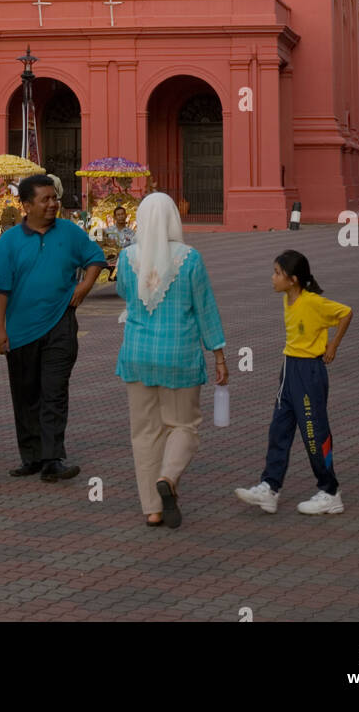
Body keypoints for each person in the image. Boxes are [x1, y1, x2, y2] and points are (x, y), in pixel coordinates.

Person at [115, 192, 227, 529]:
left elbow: (124, 293)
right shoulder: (190, 259)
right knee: (184, 425)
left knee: (145, 432)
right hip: (179, 355)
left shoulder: (126, 258)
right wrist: (218, 353)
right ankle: (168, 477)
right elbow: (204, 308)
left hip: (137, 354)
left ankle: (152, 508)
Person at [0, 174, 106, 482]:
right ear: (27, 205)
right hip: (21, 329)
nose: (53, 204)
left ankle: (53, 457)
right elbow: (0, 289)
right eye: (45, 199)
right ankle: (31, 457)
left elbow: (96, 258)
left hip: (60, 324)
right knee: (26, 394)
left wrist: (84, 287)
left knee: (54, 392)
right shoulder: (10, 241)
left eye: (54, 198)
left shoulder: (68, 231)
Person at [235, 250, 351, 516]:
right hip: (288, 370)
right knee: (279, 430)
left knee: (314, 433)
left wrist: (332, 345)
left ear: (293, 279)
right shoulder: (289, 299)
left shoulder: (312, 302)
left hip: (308, 373)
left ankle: (330, 492)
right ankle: (270, 488)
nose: (273, 278)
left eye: (277, 273)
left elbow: (346, 313)